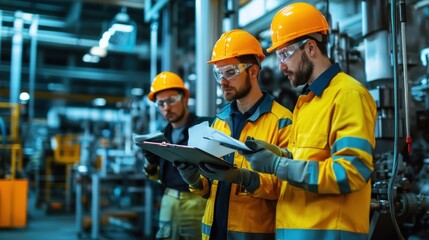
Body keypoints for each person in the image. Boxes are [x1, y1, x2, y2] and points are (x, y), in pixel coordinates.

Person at [240, 2, 377, 240]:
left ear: (311, 48)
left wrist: (276, 165)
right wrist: (278, 155)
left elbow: (352, 171)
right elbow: (308, 162)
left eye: (284, 54)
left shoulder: (347, 94)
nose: (281, 66)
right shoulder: (307, 102)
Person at [175, 29, 293, 239]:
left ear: (253, 72)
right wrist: (193, 178)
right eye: (218, 74)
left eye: (230, 72)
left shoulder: (282, 121)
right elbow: (207, 189)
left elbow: (286, 189)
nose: (222, 81)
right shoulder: (219, 121)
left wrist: (244, 178)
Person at [144, 71, 209, 240]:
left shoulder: (204, 128)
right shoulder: (161, 136)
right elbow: (160, 177)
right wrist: (151, 166)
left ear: (185, 99)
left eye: (171, 100)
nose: (166, 108)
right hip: (169, 201)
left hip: (198, 202)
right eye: (161, 103)